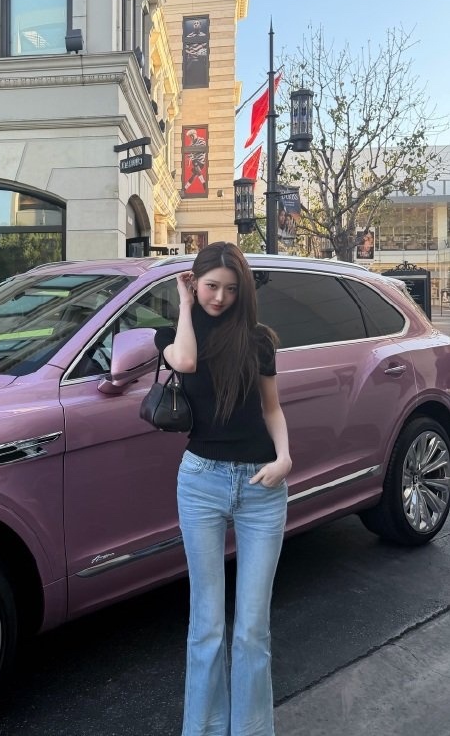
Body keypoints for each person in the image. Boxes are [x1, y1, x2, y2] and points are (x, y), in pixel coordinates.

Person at [155, 241, 291, 736]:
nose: (220, 298)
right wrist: (184, 304)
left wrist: (284, 457)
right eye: (211, 286)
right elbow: (187, 362)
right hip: (201, 483)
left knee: (252, 629)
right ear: (194, 283)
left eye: (231, 290)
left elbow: (272, 408)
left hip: (261, 487)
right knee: (207, 626)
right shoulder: (172, 334)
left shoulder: (258, 341)